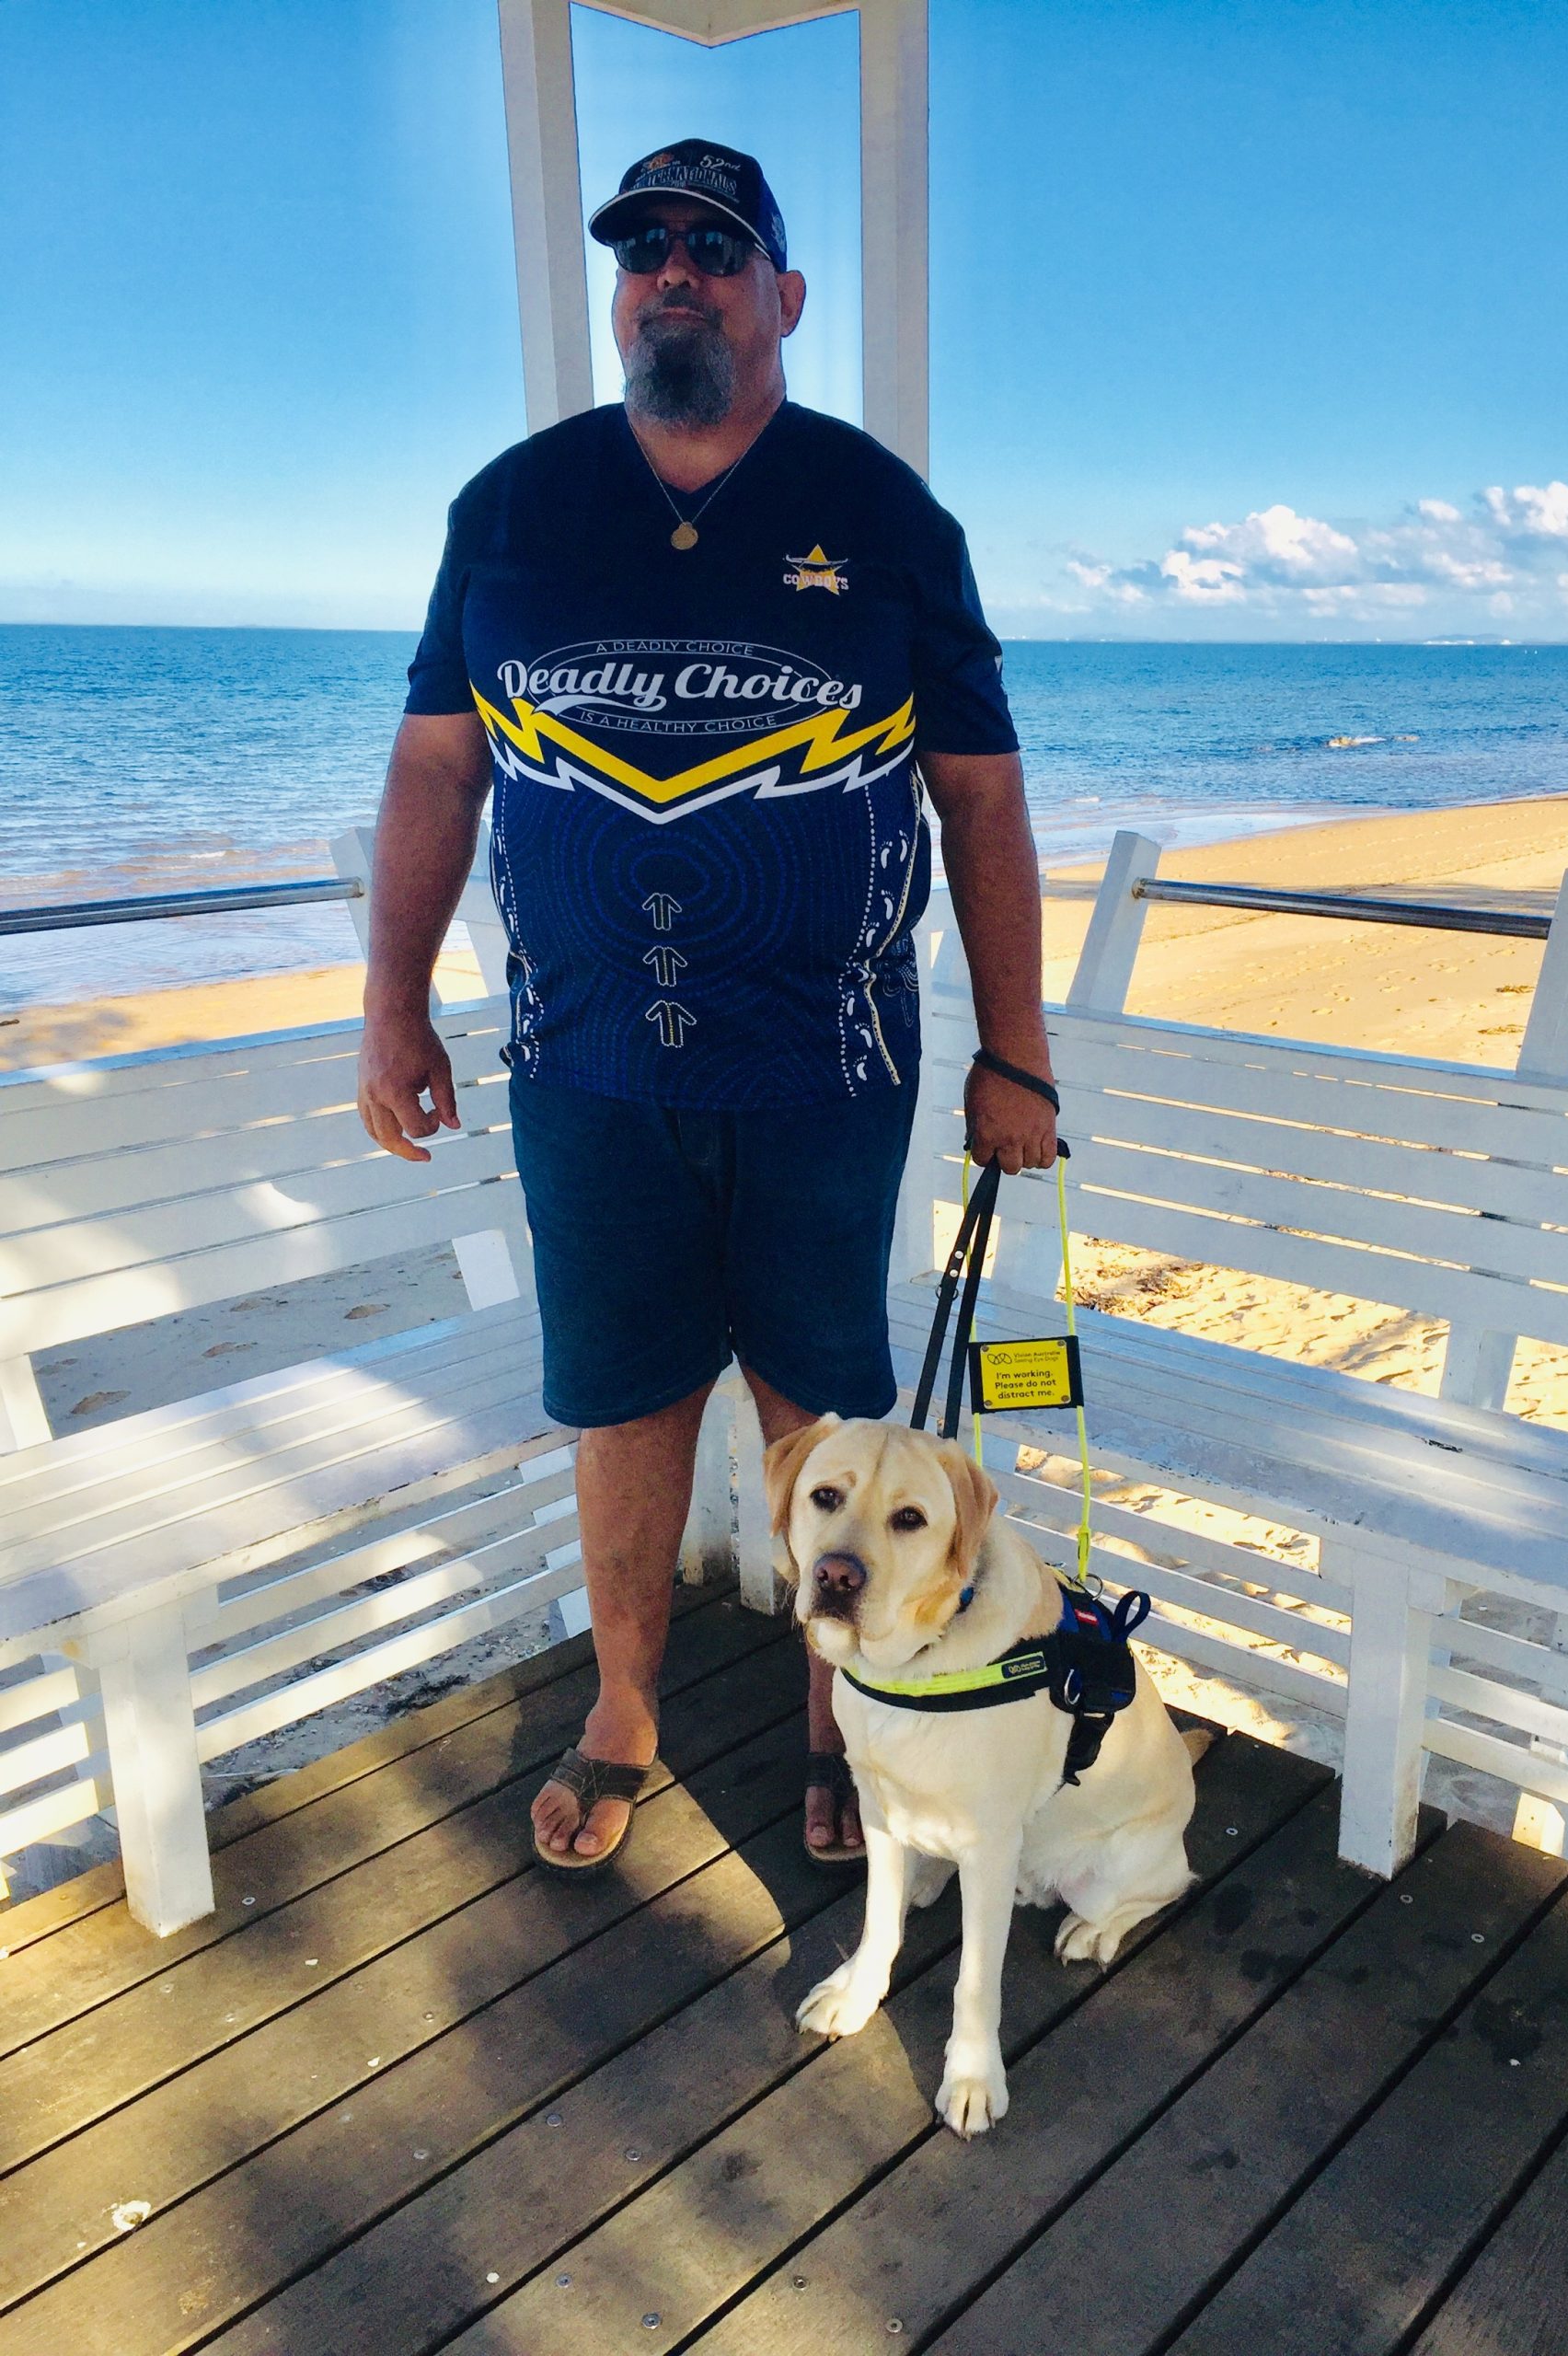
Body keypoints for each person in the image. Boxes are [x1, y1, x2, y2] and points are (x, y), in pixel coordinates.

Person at [355, 138, 1055, 1875]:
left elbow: (981, 801)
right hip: (585, 1067)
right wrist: (389, 1005)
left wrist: (1014, 1053)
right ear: (618, 295)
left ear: (782, 297)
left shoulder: (886, 518)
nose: (675, 272)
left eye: (715, 250)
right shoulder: (512, 510)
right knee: (624, 1400)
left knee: (819, 1408)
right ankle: (626, 1711)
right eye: (646, 249)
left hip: (827, 1068)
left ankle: (845, 1725)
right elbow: (437, 774)